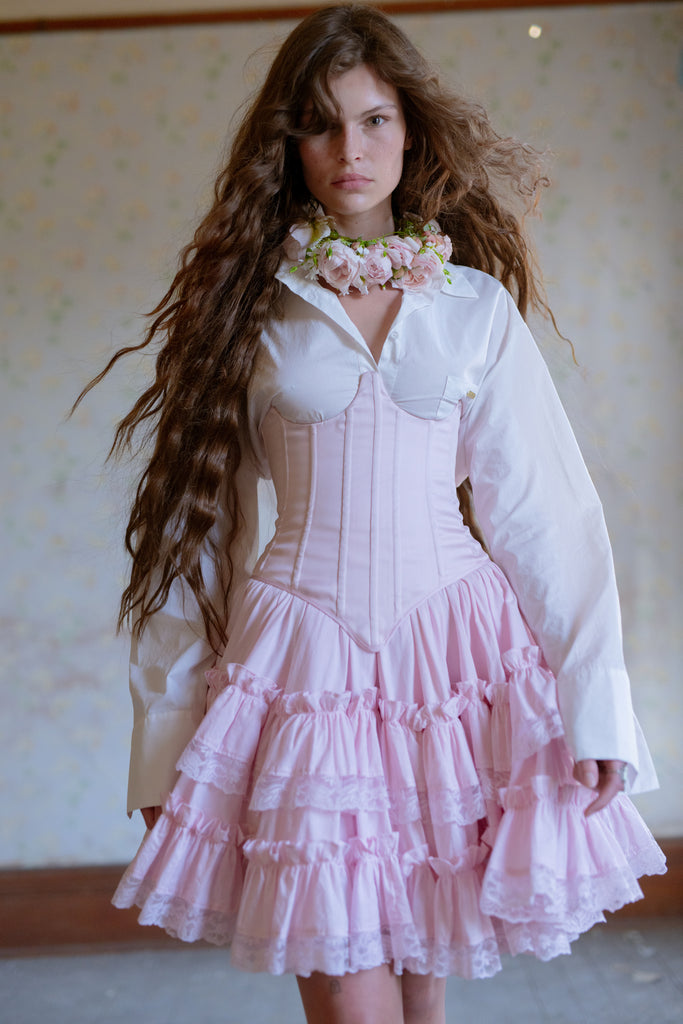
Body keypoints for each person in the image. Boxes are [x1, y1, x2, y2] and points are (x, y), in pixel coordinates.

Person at [83, 5, 665, 1022]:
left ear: (408, 131)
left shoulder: (472, 307)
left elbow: (544, 515)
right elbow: (196, 535)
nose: (348, 149)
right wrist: (166, 737)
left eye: (373, 120)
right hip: (303, 668)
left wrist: (593, 703)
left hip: (455, 665)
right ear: (288, 143)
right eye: (319, 124)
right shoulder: (245, 309)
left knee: (422, 998)